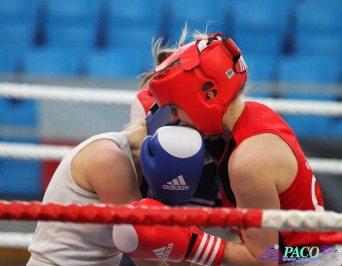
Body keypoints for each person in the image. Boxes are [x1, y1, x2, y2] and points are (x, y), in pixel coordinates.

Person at [113, 28, 342, 265]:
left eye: (174, 108)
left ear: (208, 95)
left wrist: (190, 243)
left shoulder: (248, 161)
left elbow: (264, 259)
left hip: (304, 259)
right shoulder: (249, 118)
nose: (172, 118)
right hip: (314, 252)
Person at [26, 88, 208, 266]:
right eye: (201, 156)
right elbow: (147, 260)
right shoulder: (109, 160)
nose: (199, 164)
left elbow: (174, 259)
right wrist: (174, 204)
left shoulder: (144, 172)